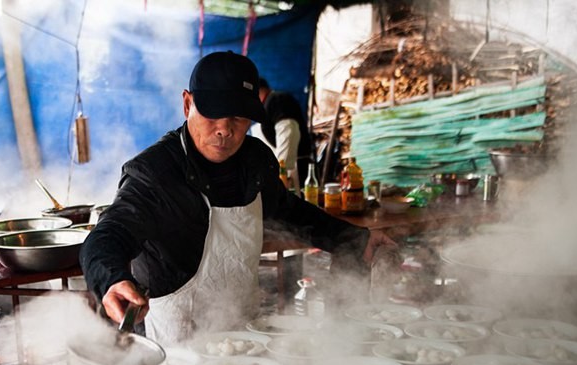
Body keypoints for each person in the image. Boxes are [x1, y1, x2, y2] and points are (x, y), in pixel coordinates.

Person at [80, 51, 395, 345]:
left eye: (239, 118)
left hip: (244, 334)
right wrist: (111, 280)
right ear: (187, 104)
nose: (225, 130)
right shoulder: (155, 172)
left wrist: (353, 237)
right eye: (213, 115)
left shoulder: (255, 160)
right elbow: (110, 234)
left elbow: (288, 212)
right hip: (176, 340)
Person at [250, 77, 313, 192]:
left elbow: (288, 132)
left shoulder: (277, 100)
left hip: (293, 169)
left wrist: (282, 171)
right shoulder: (263, 108)